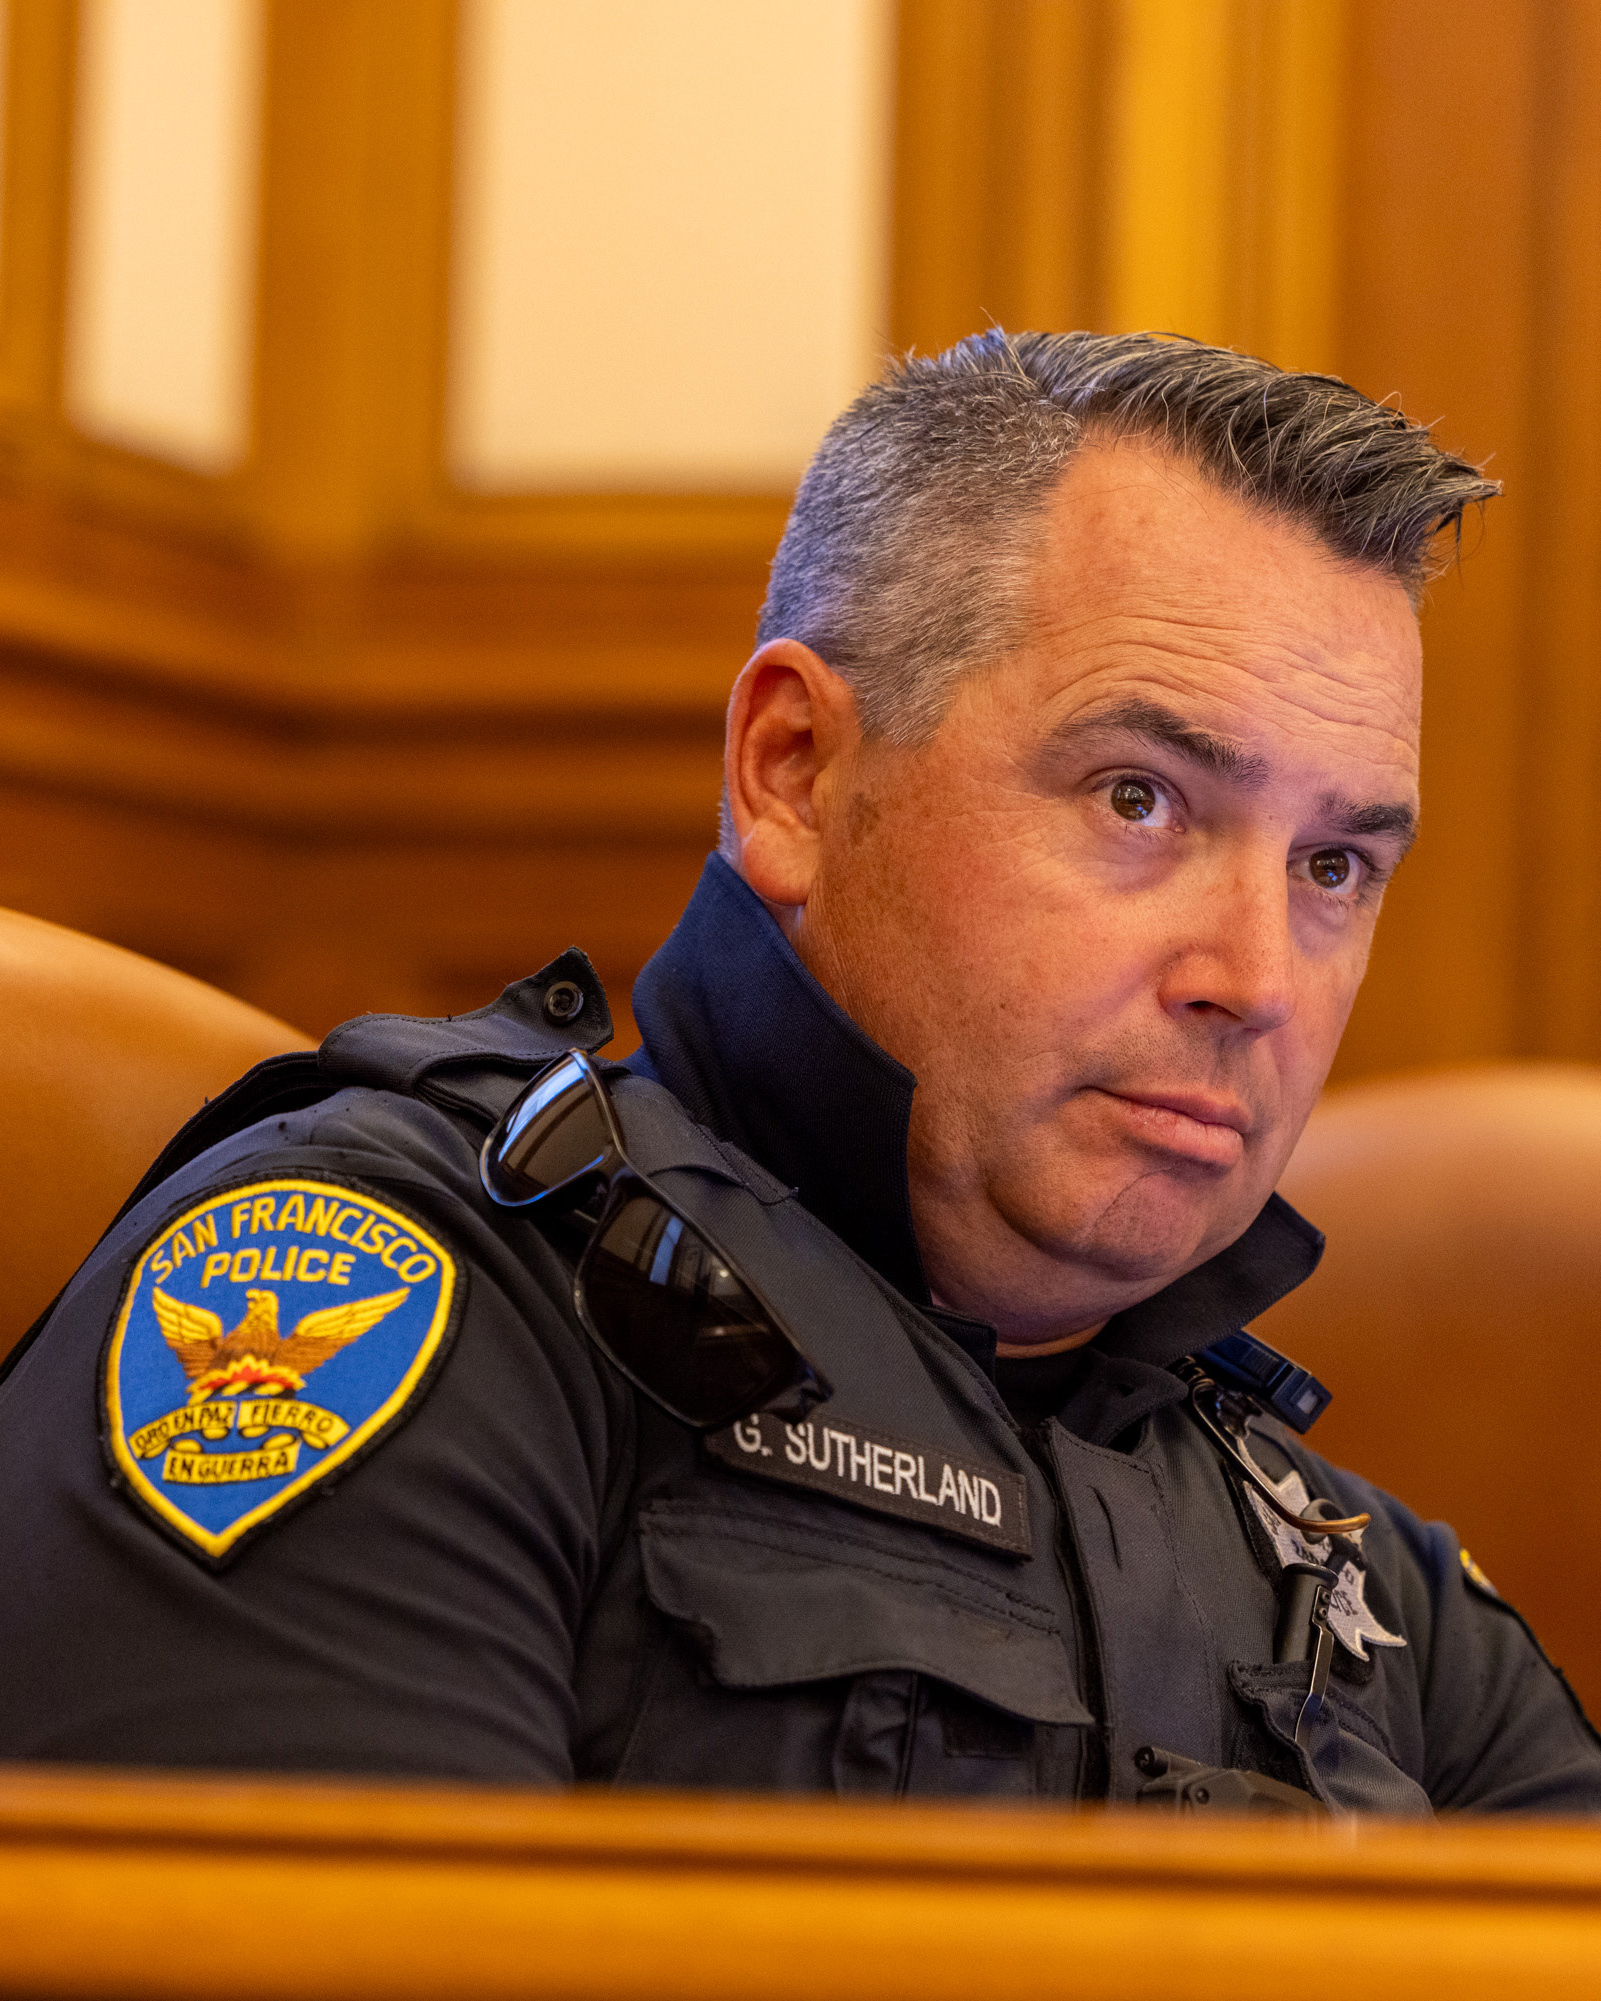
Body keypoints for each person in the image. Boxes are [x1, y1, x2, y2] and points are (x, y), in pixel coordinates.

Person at [2, 331, 1596, 1813]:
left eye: (1332, 865)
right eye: (1138, 799)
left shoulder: (1355, 1584)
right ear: (793, 774)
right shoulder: (388, 1310)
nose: (1253, 979)